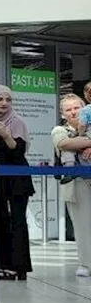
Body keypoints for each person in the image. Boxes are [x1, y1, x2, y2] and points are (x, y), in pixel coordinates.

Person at [0, 85, 34, 280]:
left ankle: (18, 266)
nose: (4, 103)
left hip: (16, 175)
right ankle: (0, 264)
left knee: (17, 220)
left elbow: (18, 150)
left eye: (8, 99)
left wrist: (6, 135)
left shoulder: (17, 122)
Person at [53, 94, 91, 278]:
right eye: (68, 109)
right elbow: (64, 144)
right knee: (83, 225)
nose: (73, 112)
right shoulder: (59, 130)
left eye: (77, 107)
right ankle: (85, 263)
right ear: (62, 114)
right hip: (76, 185)